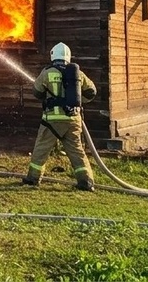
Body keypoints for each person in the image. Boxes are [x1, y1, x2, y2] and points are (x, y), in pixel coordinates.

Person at [23, 42, 98, 191]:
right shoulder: (78, 74)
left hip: (52, 121)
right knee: (77, 151)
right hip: (73, 120)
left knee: (41, 149)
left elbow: (37, 92)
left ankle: (32, 179)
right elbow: (92, 92)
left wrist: (51, 97)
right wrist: (77, 102)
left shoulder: (47, 72)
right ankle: (86, 182)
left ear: (53, 55)